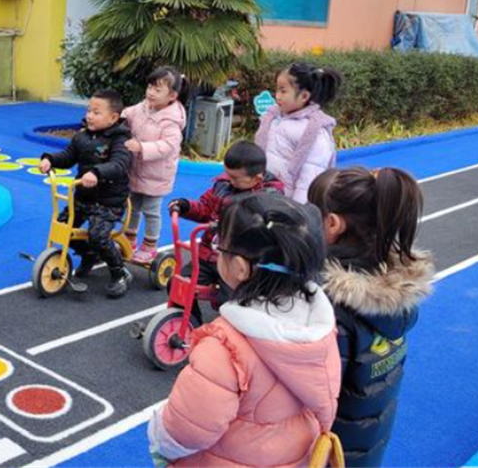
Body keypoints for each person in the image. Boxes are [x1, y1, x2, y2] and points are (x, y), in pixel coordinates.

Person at [147, 193, 341, 468]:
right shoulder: (319, 327)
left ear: (240, 267)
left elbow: (183, 432)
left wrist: (157, 433)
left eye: (219, 245)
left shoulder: (223, 348)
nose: (217, 251)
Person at [308, 167, 434, 468]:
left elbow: (315, 393)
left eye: (311, 214)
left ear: (333, 223)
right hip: (367, 437)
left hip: (327, 450)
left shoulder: (329, 306)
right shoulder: (393, 293)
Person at [39, 89, 134, 297]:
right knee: (63, 229)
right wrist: (50, 160)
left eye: (96, 112)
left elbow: (119, 164)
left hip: (108, 201)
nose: (90, 115)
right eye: (89, 110)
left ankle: (119, 272)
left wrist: (96, 172)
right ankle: (90, 255)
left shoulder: (120, 140)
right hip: (83, 197)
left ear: (113, 117)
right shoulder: (82, 136)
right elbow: (68, 156)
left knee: (98, 235)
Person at [168, 140, 284, 300]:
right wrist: (186, 206)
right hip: (208, 253)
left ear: (257, 179)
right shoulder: (223, 185)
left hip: (237, 261)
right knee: (179, 285)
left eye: (235, 178)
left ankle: (230, 318)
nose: (230, 180)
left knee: (231, 301)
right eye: (227, 175)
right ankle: (188, 320)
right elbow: (205, 208)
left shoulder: (267, 198)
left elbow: (265, 232)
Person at [121, 66, 188, 264]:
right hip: (136, 170)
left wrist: (141, 147)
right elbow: (128, 113)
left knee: (151, 210)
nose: (150, 92)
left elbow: (168, 146)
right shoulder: (143, 107)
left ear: (172, 96)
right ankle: (129, 240)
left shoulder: (172, 120)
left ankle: (150, 246)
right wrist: (118, 118)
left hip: (156, 175)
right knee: (132, 206)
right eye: (150, 87)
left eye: (157, 90)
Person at [255, 62, 342, 203]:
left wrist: (298, 213)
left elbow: (309, 179)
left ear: (304, 96)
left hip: (289, 206)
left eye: (283, 91)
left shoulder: (313, 132)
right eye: (276, 90)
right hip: (268, 196)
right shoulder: (274, 118)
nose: (277, 96)